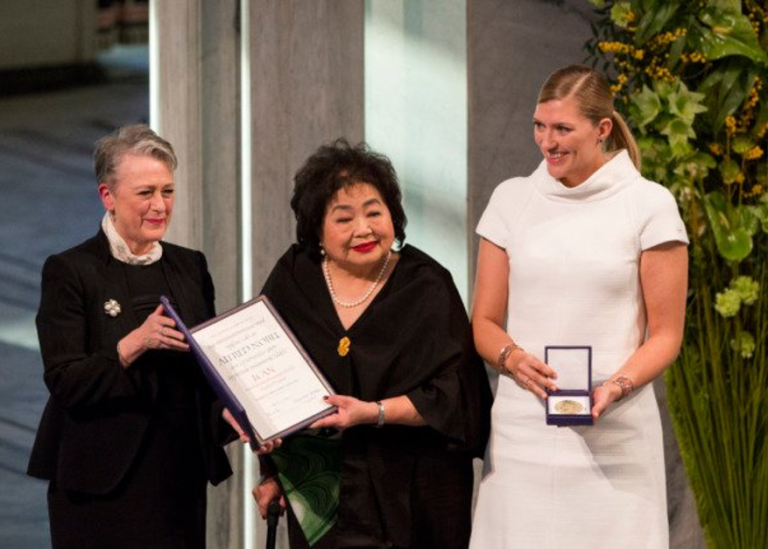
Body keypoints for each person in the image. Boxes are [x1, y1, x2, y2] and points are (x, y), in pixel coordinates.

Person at [469, 65, 688, 548]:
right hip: (522, 432)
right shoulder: (512, 199)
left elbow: (667, 335)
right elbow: (483, 322)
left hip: (615, 435)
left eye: (563, 129)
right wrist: (513, 359)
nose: (547, 141)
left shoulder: (649, 205)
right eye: (539, 126)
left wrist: (615, 387)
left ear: (602, 128)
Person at [252, 139, 492, 549]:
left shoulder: (427, 284)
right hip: (319, 492)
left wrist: (375, 413)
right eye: (343, 219)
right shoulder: (295, 277)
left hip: (413, 491)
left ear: (394, 217)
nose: (363, 229)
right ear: (317, 229)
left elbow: (457, 398)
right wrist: (271, 471)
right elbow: (266, 375)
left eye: (374, 213)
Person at [27, 124, 239, 548]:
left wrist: (232, 414)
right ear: (108, 196)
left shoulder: (190, 266)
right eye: (145, 193)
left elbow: (205, 374)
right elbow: (65, 379)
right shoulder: (71, 271)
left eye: (167, 191)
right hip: (99, 483)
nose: (160, 205)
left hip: (177, 479)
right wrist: (132, 344)